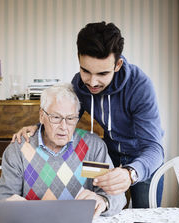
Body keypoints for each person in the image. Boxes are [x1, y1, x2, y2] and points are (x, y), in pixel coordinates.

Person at [12, 22, 164, 208]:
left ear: (118, 65)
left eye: (102, 73)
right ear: (79, 59)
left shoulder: (140, 87)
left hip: (143, 158)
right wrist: (39, 126)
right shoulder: (79, 84)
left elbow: (154, 149)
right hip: (108, 155)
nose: (92, 82)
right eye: (86, 71)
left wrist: (130, 173)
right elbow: (66, 116)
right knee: (105, 212)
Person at [0, 83, 126, 217]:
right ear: (41, 116)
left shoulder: (91, 148)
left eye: (70, 118)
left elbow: (116, 197)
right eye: (56, 117)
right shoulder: (20, 149)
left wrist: (103, 201)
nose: (64, 127)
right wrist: (7, 205)